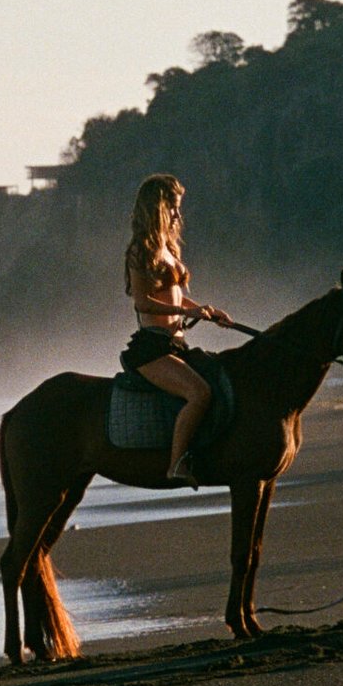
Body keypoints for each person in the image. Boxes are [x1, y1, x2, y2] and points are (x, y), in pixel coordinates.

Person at [120, 175, 236, 482]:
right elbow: (143, 303)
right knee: (199, 393)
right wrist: (187, 312)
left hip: (175, 343)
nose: (177, 214)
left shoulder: (168, 248)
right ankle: (176, 463)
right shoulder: (140, 251)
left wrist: (206, 311)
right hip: (152, 348)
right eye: (172, 206)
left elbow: (174, 296)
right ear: (157, 207)